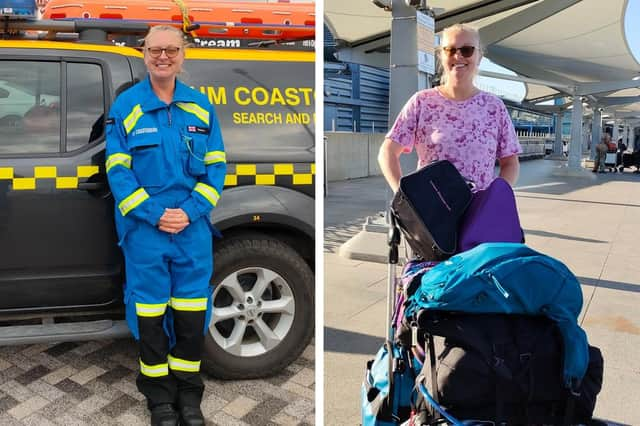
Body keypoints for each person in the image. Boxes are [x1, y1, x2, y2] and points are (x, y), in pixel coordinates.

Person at [105, 25, 226, 426]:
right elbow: (118, 171)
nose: (163, 56)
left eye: (171, 50)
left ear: (183, 54)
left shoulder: (201, 107)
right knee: (150, 318)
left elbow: (217, 167)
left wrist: (189, 212)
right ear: (144, 53)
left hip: (191, 231)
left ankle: (189, 399)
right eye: (155, 50)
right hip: (145, 231)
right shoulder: (126, 107)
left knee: (192, 318)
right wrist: (154, 213)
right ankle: (158, 399)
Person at [378, 24, 521, 194]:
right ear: (441, 55)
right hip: (431, 213)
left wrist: (494, 200)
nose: (458, 56)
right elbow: (387, 152)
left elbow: (510, 162)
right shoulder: (422, 102)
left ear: (479, 56)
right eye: (450, 50)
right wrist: (404, 197)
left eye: (467, 50)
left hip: (478, 214)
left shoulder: (494, 107)